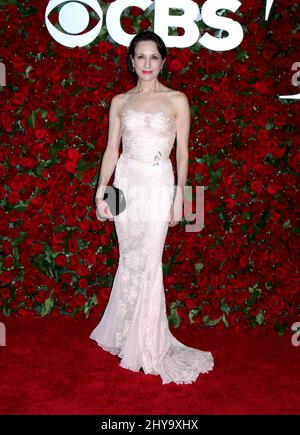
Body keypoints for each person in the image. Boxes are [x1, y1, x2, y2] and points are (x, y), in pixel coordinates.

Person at [90, 31, 214, 384]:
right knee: (129, 257)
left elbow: (185, 152)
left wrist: (180, 196)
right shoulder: (119, 102)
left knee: (149, 261)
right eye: (140, 57)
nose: (146, 64)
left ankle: (147, 343)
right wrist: (102, 192)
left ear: (163, 61)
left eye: (153, 57)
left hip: (159, 183)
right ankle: (124, 332)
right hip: (124, 183)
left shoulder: (177, 100)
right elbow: (112, 151)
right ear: (131, 61)